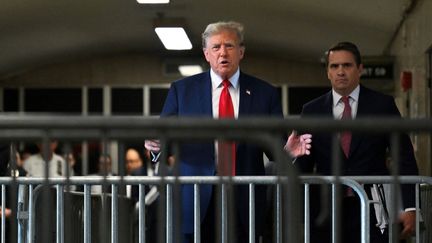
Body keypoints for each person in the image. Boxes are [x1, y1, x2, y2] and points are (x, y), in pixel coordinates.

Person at [145, 21, 309, 243]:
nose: (223, 52)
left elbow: (275, 149)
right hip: (196, 199)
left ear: (241, 52)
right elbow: (165, 142)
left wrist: (287, 151)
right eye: (216, 47)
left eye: (229, 46)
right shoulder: (182, 91)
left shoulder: (264, 93)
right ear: (206, 54)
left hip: (244, 199)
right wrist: (157, 147)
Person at [291, 41, 419, 243]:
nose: (340, 71)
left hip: (375, 208)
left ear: (360, 69)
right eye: (334, 66)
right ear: (328, 72)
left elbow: (404, 157)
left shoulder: (382, 105)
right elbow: (302, 166)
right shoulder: (311, 111)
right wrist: (291, 155)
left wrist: (411, 207)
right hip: (326, 211)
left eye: (347, 65)